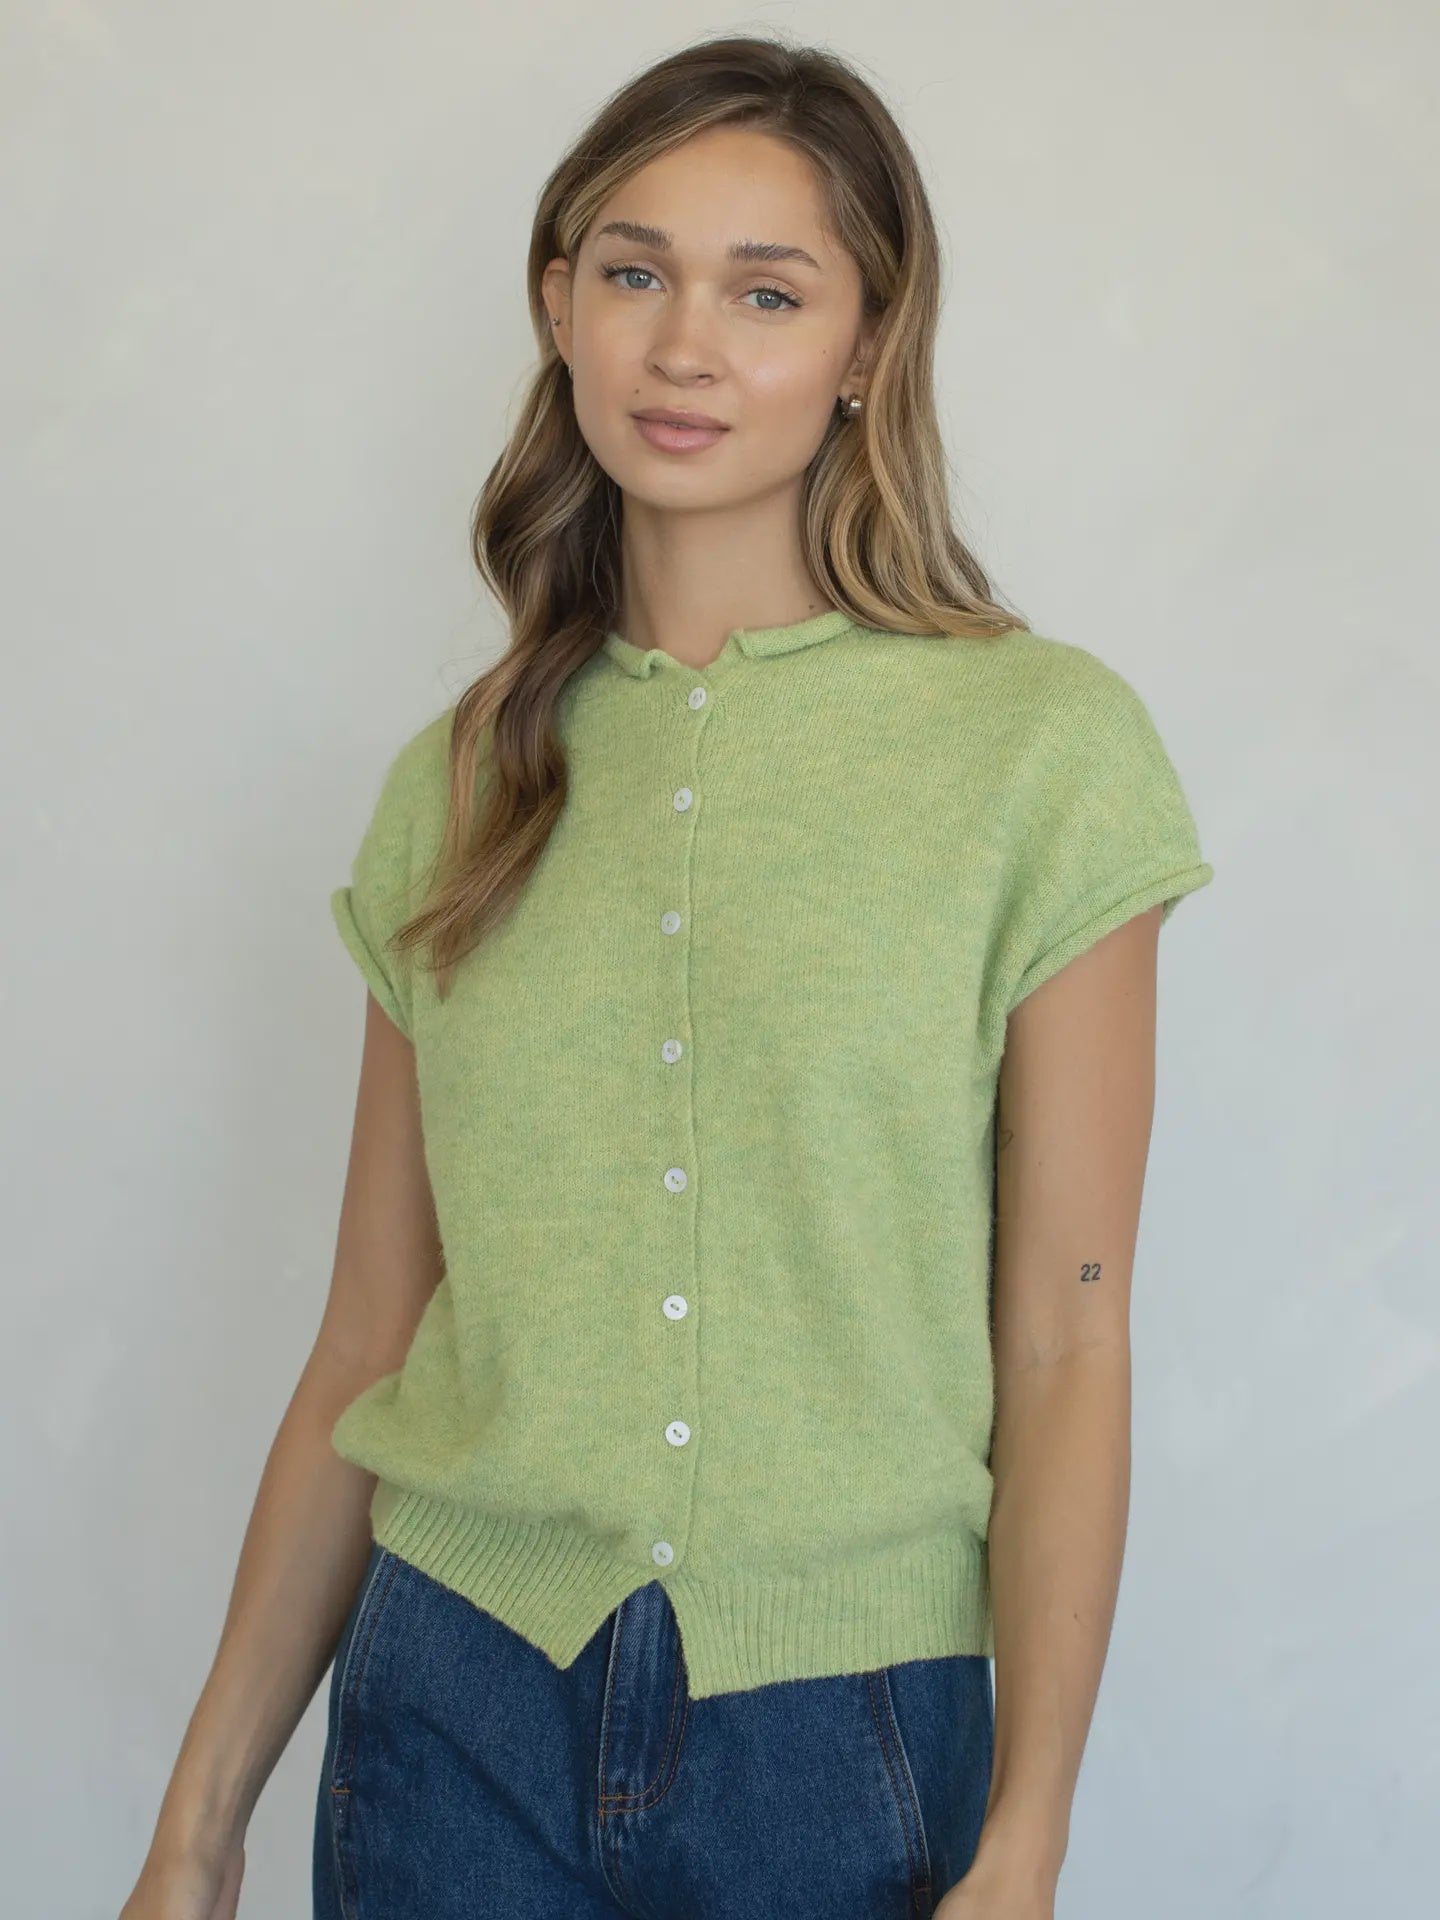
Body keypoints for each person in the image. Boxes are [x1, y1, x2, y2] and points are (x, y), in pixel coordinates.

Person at [120, 32, 1214, 1920]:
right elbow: (369, 1339)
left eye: (766, 293)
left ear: (868, 343)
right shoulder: (457, 783)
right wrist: (196, 1825)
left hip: (849, 1737)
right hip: (447, 1714)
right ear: (560, 307)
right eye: (635, 273)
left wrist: (1027, 1836)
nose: (684, 346)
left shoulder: (1040, 752)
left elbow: (1067, 1337)